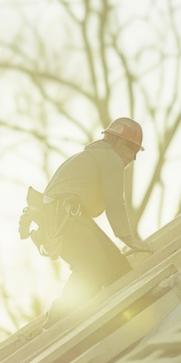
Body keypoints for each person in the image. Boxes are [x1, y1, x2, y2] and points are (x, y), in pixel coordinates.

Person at [19, 117, 153, 326]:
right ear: (118, 142)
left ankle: (124, 317)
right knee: (93, 267)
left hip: (66, 218)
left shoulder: (87, 156)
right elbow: (115, 202)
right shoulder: (110, 158)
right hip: (66, 218)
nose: (133, 158)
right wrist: (129, 238)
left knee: (117, 268)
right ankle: (59, 320)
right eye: (132, 150)